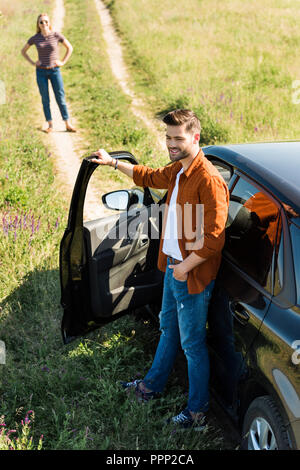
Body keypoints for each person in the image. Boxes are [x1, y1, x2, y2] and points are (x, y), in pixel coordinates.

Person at [92, 109, 229, 429]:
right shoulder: (178, 170)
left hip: (190, 275)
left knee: (192, 345)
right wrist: (113, 162)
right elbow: (149, 177)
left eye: (178, 138)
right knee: (169, 330)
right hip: (172, 267)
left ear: (196, 138)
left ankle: (197, 412)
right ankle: (150, 387)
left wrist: (185, 268)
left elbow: (214, 239)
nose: (171, 143)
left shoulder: (208, 179)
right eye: (168, 137)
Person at [21, 13, 76, 133]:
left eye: (46, 21)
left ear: (49, 22)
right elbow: (23, 51)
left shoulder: (56, 35)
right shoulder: (35, 38)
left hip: (54, 71)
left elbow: (69, 48)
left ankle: (67, 123)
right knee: (45, 98)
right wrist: (33, 62)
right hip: (41, 71)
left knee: (60, 97)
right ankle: (50, 124)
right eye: (41, 22)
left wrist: (62, 62)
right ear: (38, 24)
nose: (44, 24)